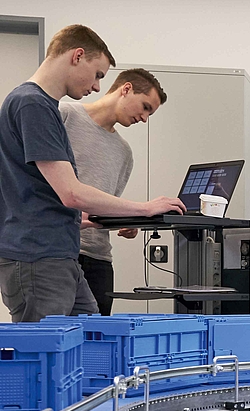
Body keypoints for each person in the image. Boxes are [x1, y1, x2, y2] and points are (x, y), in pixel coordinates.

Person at [0, 24, 184, 325]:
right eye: (98, 74)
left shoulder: (42, 106)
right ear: (78, 56)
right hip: (37, 255)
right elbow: (71, 192)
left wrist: (86, 219)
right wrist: (146, 208)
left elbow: (45, 190)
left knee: (92, 339)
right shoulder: (33, 104)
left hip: (60, 252)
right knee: (45, 360)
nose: (98, 86)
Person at [62, 68, 168, 317]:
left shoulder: (124, 152)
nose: (144, 118)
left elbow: (105, 205)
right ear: (126, 89)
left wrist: (126, 220)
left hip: (99, 258)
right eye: (145, 107)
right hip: (59, 251)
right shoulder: (65, 115)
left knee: (98, 345)